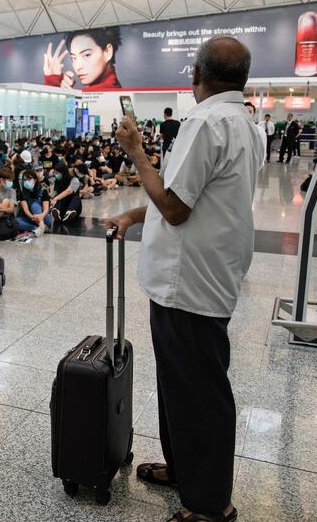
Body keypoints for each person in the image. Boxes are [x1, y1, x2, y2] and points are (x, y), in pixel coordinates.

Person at [106, 36, 261, 522]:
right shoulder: (245, 122)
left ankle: (212, 505)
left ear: (196, 72)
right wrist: (134, 213)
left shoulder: (206, 120)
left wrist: (135, 151)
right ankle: (185, 468)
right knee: (181, 384)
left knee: (200, 392)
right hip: (205, 271)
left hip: (188, 281)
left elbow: (174, 208)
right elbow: (197, 197)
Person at [42, 27, 122, 90]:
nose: (78, 67)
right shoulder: (115, 89)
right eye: (74, 58)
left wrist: (52, 84)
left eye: (87, 55)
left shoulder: (91, 96)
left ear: (108, 52)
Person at [16, 169, 53, 237]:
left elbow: (46, 209)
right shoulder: (22, 193)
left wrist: (40, 216)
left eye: (29, 179)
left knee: (34, 205)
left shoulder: (43, 190)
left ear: (35, 180)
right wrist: (32, 217)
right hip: (31, 218)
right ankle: (37, 228)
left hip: (44, 217)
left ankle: (41, 225)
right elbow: (26, 210)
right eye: (25, 180)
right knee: (16, 222)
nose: (26, 181)